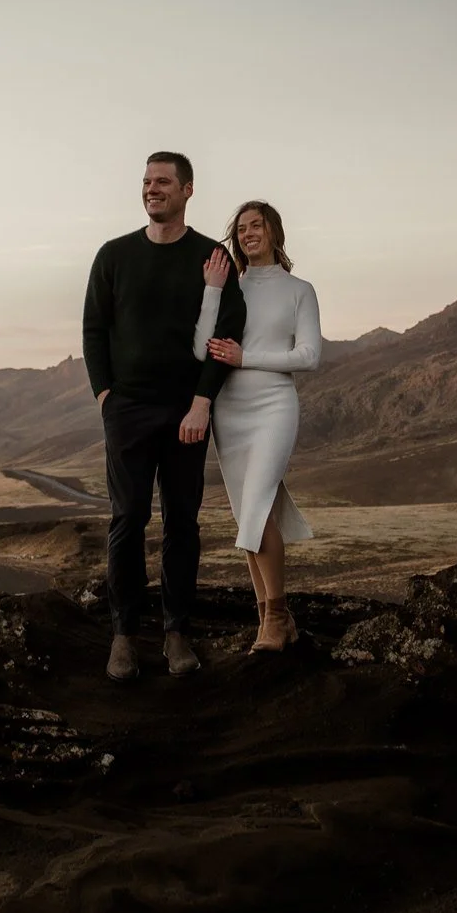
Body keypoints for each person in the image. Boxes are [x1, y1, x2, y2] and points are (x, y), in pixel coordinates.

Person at [82, 152, 246, 683]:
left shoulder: (211, 257)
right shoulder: (113, 256)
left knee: (182, 520)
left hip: (186, 412)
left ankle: (177, 632)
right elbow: (94, 330)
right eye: (147, 182)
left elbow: (226, 334)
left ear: (187, 190)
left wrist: (202, 401)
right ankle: (124, 636)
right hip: (127, 409)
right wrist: (105, 394)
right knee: (127, 519)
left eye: (164, 182)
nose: (153, 189)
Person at [193, 201, 322, 652]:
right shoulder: (231, 288)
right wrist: (212, 290)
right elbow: (200, 348)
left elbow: (309, 356)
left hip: (274, 406)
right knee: (247, 514)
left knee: (258, 508)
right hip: (231, 409)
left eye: (257, 226)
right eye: (241, 228)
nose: (248, 234)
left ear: (274, 232)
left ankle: (278, 616)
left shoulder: (299, 290)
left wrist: (247, 358)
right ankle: (269, 618)